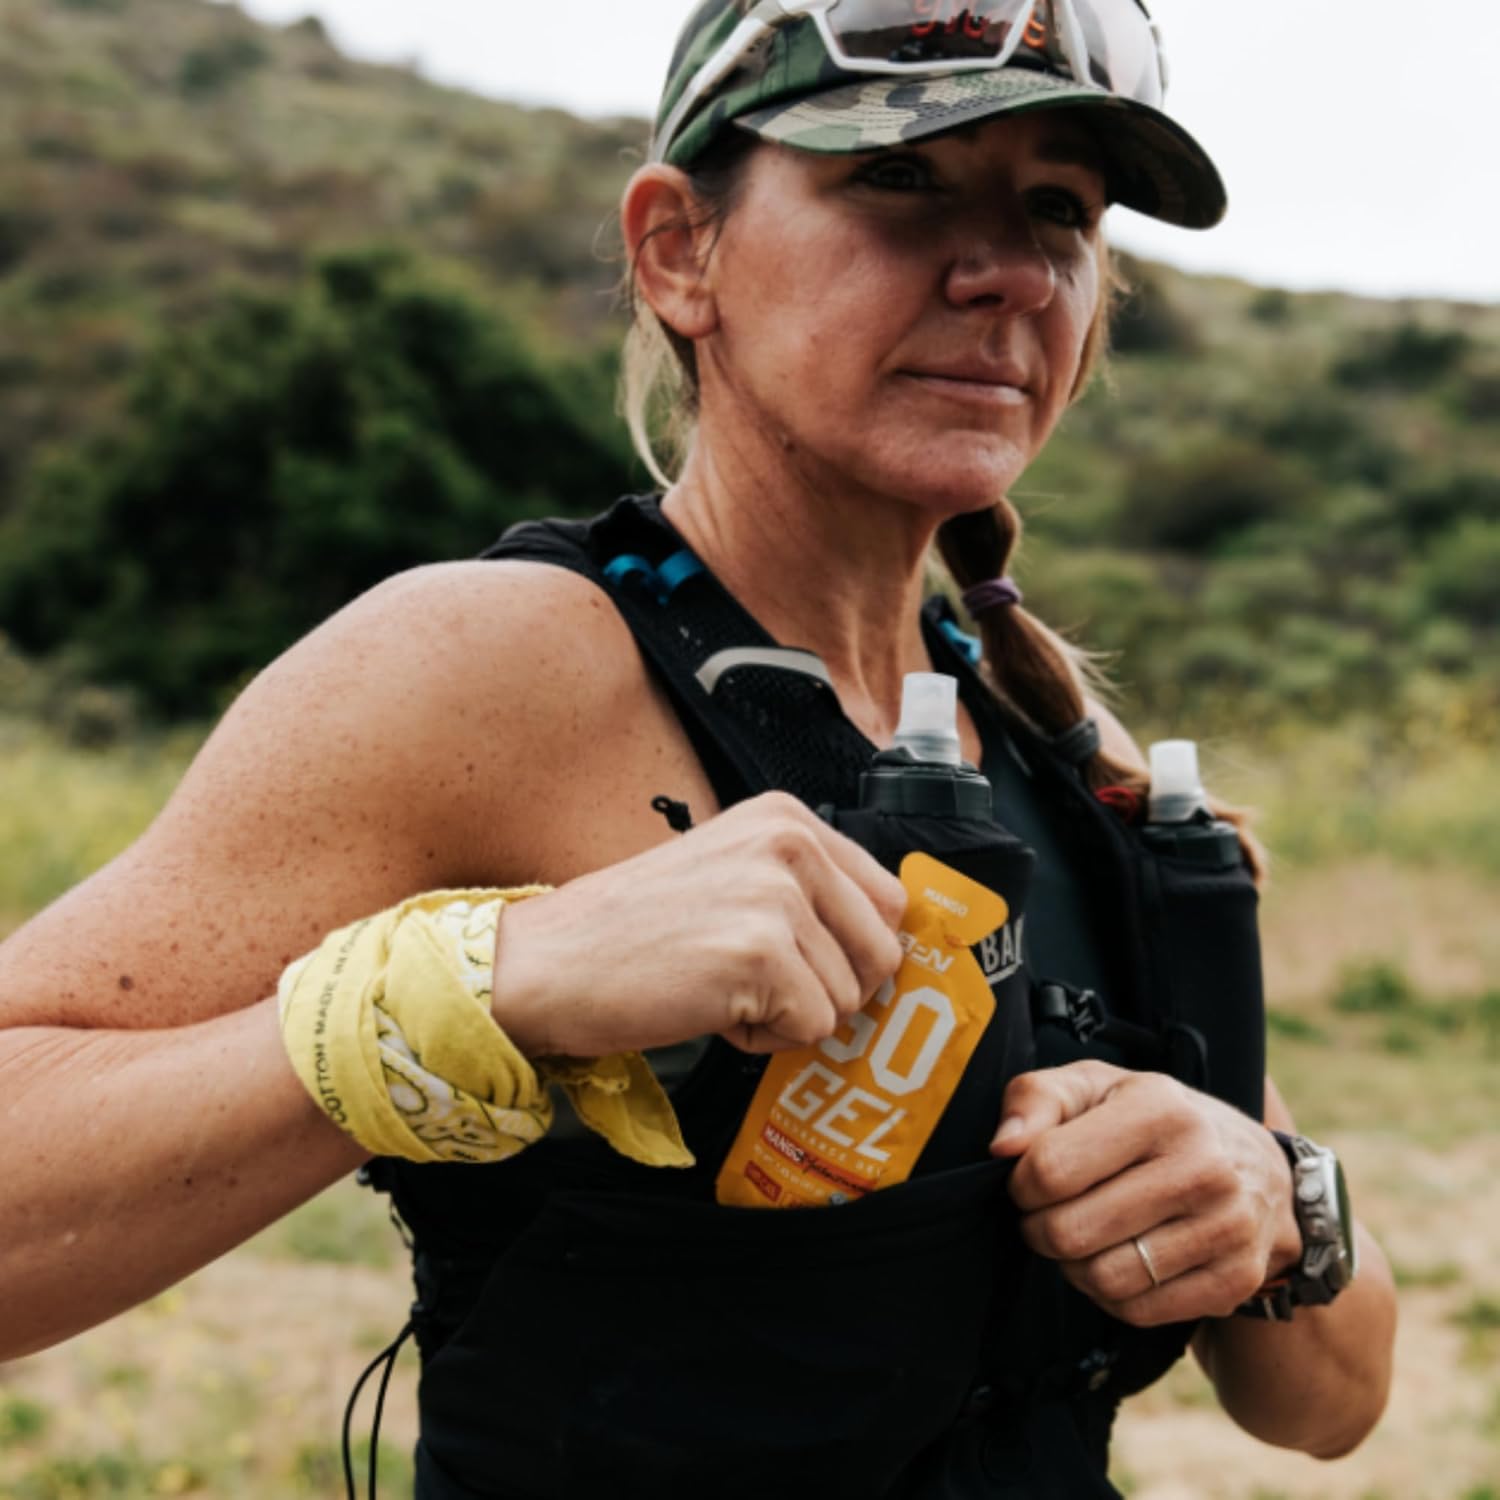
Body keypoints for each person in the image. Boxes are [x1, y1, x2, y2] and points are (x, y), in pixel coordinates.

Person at [0, 1, 1396, 1496]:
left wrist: (1272, 1207)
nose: (1005, 272)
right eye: (901, 177)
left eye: (1059, 209)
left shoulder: (1063, 746)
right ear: (678, 250)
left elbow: (1332, 1406)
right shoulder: (494, 667)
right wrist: (481, 986)